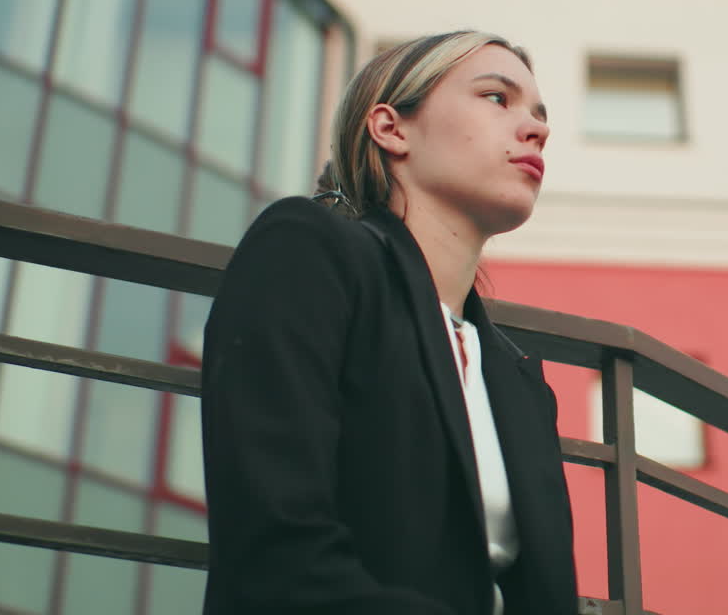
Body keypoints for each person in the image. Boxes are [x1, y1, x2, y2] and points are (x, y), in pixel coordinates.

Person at [199, 31, 577, 615]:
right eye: (497, 98)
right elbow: (275, 551)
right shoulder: (304, 249)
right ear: (391, 129)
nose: (537, 129)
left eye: (539, 113)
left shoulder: (519, 378)